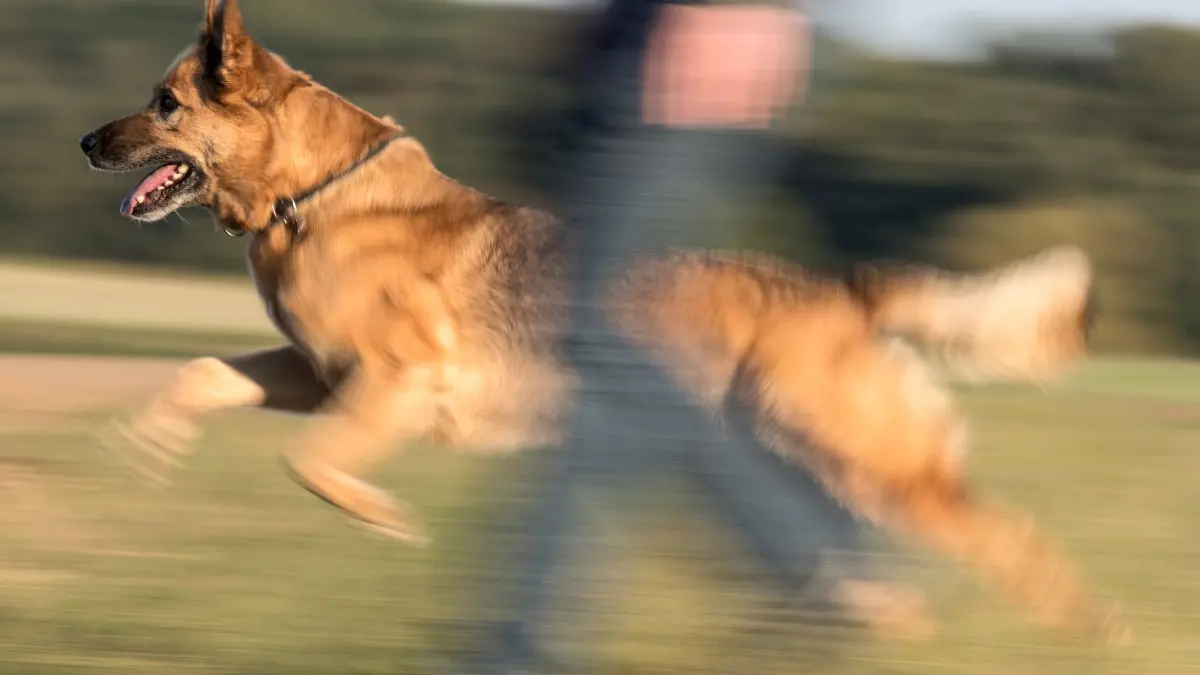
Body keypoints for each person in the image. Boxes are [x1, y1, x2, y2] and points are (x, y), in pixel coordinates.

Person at [471, 1, 927, 672]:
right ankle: (520, 647)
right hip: (641, 38)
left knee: (600, 340)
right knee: (602, 354)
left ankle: (808, 548)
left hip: (689, 40)